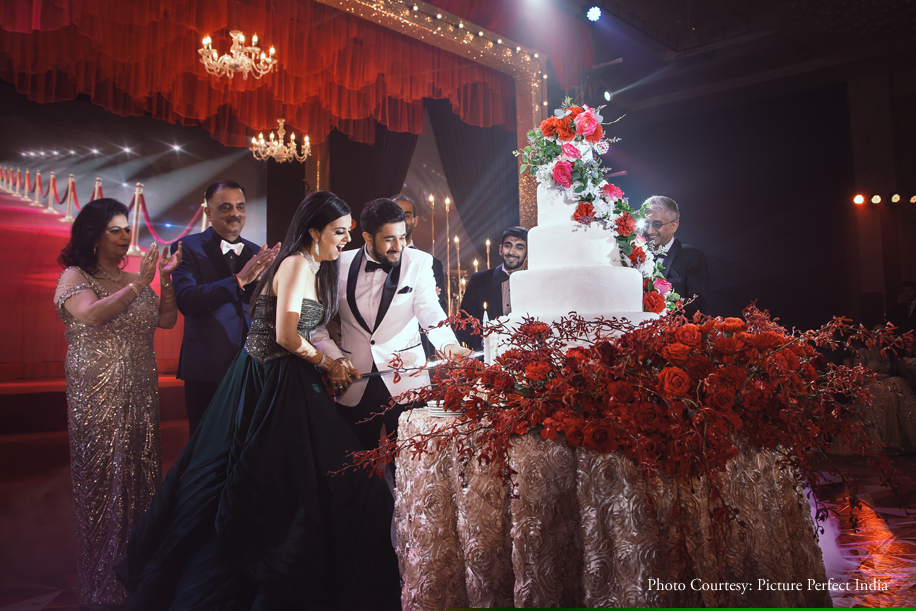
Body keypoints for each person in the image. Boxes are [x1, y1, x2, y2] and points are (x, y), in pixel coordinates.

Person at [115, 191, 401, 610]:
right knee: (280, 481)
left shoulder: (312, 265)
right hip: (271, 379)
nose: (346, 240)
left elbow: (307, 330)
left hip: (283, 376)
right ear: (314, 232)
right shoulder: (296, 264)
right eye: (339, 232)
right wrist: (327, 363)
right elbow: (285, 336)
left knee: (305, 481)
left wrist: (332, 360)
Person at [53, 198, 181, 606]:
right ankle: (102, 584)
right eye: (116, 230)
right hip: (97, 397)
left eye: (128, 229)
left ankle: (140, 574)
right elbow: (92, 316)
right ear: (93, 236)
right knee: (102, 486)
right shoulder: (75, 276)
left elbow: (165, 321)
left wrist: (165, 280)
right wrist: (141, 284)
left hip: (140, 394)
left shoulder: (132, 276)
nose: (126, 236)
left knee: (141, 482)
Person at [311, 198, 471, 452]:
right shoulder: (337, 263)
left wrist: (448, 345)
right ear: (367, 237)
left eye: (403, 237)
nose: (399, 246)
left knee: (412, 462)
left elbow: (429, 310)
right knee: (355, 462)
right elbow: (317, 324)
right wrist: (333, 359)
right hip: (355, 380)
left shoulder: (419, 262)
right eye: (389, 239)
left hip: (406, 378)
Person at [171, 180, 280, 435]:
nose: (235, 214)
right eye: (226, 207)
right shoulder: (187, 247)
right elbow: (186, 300)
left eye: (240, 207)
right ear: (208, 212)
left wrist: (270, 284)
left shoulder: (256, 251)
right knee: (204, 440)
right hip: (207, 365)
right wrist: (239, 280)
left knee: (247, 439)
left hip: (251, 364)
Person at [391, 193, 447, 358]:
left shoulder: (432, 263)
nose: (400, 220)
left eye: (406, 215)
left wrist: (427, 298)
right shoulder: (373, 259)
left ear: (415, 220)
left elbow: (438, 310)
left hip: (418, 346)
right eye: (395, 214)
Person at [456, 226, 528, 351]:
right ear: (500, 249)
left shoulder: (533, 281)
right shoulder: (479, 280)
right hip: (486, 357)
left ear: (527, 252)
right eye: (508, 246)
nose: (512, 252)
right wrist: (483, 344)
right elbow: (462, 324)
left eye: (519, 247)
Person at [643, 195, 709, 317]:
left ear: (674, 226)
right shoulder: (634, 255)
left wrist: (659, 299)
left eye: (657, 224)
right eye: (646, 223)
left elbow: (698, 307)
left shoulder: (693, 257)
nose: (649, 231)